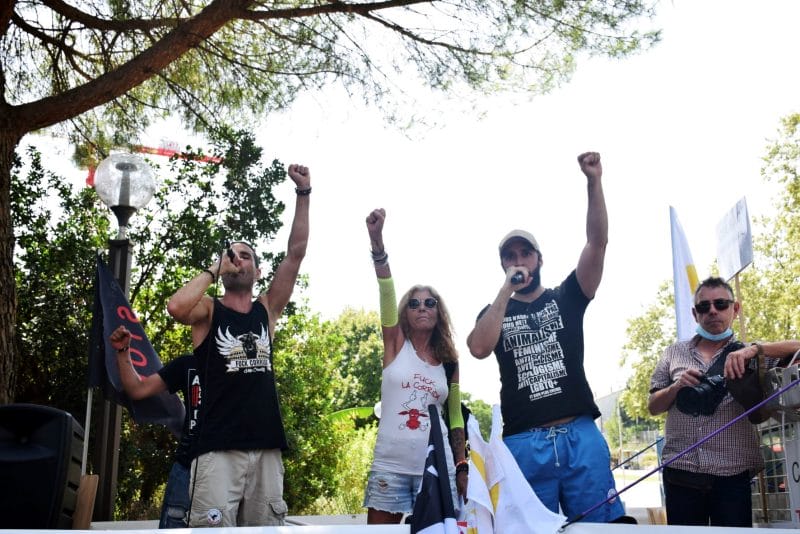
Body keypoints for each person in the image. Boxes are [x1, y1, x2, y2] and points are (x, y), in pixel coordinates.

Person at [467, 152, 625, 523]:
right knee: (528, 528)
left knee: (598, 527)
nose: (519, 260)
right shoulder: (495, 310)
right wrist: (506, 291)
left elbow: (597, 242)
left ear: (540, 259)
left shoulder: (567, 296)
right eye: (510, 256)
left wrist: (593, 182)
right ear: (503, 265)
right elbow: (477, 348)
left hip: (579, 435)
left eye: (526, 253)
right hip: (524, 442)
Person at [165, 163, 311, 528]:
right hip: (217, 449)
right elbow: (175, 307)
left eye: (246, 257)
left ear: (258, 271)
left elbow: (295, 254)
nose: (238, 260)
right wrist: (215, 269)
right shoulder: (208, 310)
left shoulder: (267, 309)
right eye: (233, 255)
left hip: (266, 448)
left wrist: (304, 194)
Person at [648, 276, 800, 527]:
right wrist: (676, 387)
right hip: (681, 472)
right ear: (695, 314)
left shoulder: (753, 354)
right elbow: (653, 406)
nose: (713, 311)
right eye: (704, 307)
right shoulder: (673, 353)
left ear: (735, 308)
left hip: (732, 474)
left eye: (720, 304)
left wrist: (755, 350)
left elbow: (797, 347)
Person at [363, 208, 467, 524]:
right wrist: (377, 243)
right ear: (405, 312)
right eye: (414, 303)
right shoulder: (395, 345)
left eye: (429, 303)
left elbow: (454, 417)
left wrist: (461, 464)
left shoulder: (449, 362)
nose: (421, 307)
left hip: (437, 467)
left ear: (439, 313)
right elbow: (385, 290)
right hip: (390, 468)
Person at [110, 325, 200, 529]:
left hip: (228, 467)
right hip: (186, 467)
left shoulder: (243, 368)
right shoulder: (187, 364)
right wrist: (123, 350)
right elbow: (137, 389)